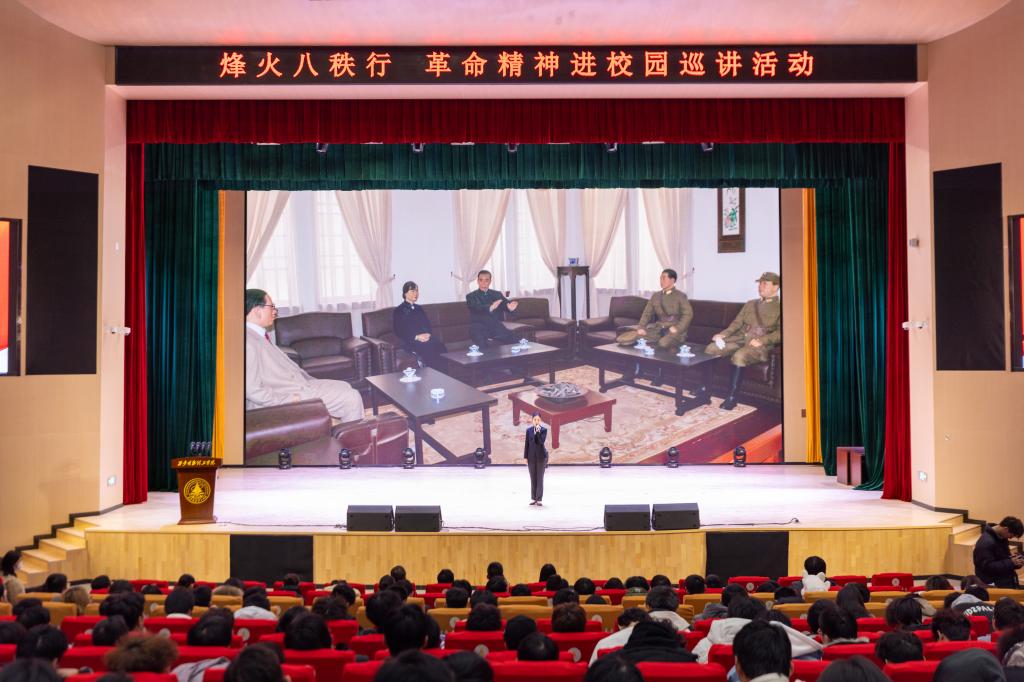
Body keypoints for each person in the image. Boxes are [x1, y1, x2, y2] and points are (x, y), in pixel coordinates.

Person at [244, 288, 363, 423]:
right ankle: (353, 436)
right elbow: (252, 390)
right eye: (271, 307)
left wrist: (308, 383)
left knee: (345, 386)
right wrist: (290, 399)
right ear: (257, 310)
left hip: (298, 385)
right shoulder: (247, 342)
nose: (274, 311)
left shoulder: (258, 335)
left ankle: (340, 430)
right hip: (286, 396)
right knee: (351, 398)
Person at [694, 271, 782, 410]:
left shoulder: (781, 307)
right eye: (760, 283)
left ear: (776, 287)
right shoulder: (751, 304)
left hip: (759, 345)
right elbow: (736, 323)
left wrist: (763, 340)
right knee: (711, 348)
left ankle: (732, 398)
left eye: (765, 283)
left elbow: (782, 332)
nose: (760, 286)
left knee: (739, 356)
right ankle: (705, 387)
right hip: (741, 338)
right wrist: (723, 334)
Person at [615, 269, 694, 353]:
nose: (661, 281)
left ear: (672, 280)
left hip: (674, 331)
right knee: (630, 338)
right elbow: (647, 313)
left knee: (663, 343)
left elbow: (688, 314)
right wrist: (641, 327)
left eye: (664, 278)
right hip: (658, 330)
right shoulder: (656, 296)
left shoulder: (680, 296)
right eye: (660, 278)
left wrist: (678, 328)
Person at [393, 281, 448, 369]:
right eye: (412, 291)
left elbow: (427, 324)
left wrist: (428, 334)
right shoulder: (398, 310)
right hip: (411, 340)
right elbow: (399, 331)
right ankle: (432, 374)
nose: (416, 293)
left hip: (425, 338)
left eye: (417, 291)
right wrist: (417, 337)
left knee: (440, 346)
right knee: (428, 348)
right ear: (405, 293)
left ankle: (444, 375)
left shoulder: (419, 308)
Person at [465, 270, 518, 348]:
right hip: (478, 327)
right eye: (481, 280)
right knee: (483, 346)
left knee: (516, 340)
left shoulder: (497, 294)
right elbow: (475, 308)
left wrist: (510, 308)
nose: (483, 283)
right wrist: (490, 307)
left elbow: (506, 304)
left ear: (490, 281)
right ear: (477, 281)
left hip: (495, 325)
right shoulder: (471, 296)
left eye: (486, 280)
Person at [974, 516, 1024, 588]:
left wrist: (1017, 562)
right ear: (1006, 529)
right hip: (995, 584)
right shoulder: (986, 543)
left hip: (1005, 581)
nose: (1010, 538)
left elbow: (1003, 559)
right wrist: (1011, 562)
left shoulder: (1001, 537)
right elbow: (987, 567)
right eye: (1011, 535)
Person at [524, 413, 548, 506]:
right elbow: (527, 444)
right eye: (535, 420)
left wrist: (537, 432)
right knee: (533, 477)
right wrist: (525, 457)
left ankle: (539, 499)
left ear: (540, 421)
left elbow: (540, 442)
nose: (536, 421)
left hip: (541, 457)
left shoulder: (544, 430)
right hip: (531, 457)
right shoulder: (529, 430)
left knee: (540, 478)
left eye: (538, 420)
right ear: (532, 420)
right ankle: (533, 498)